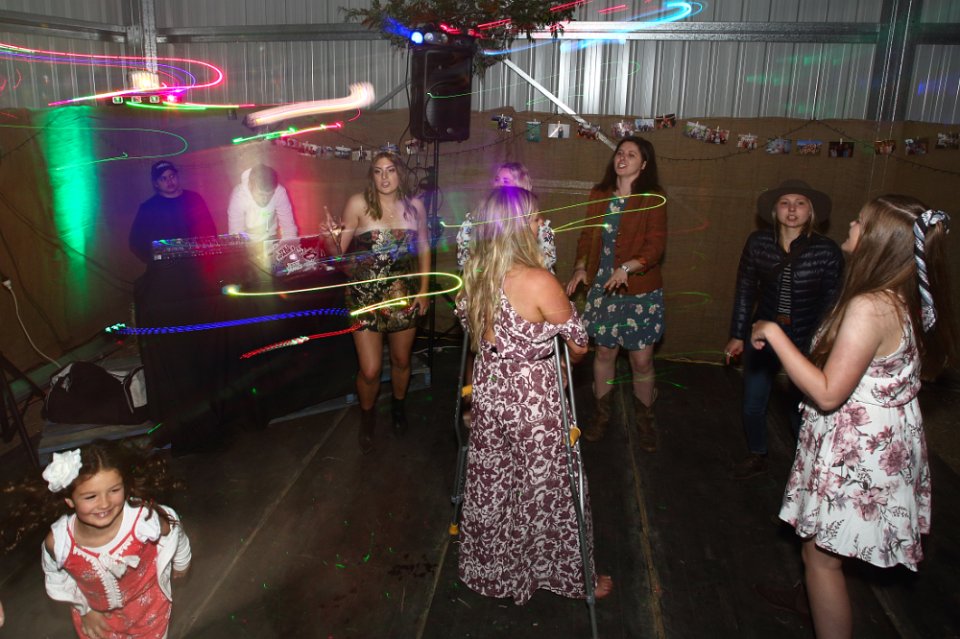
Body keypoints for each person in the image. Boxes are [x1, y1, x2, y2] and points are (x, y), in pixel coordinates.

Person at [751, 196, 957, 639]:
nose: (850, 224)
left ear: (879, 241)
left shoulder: (871, 306)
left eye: (860, 222)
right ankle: (810, 599)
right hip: (879, 440)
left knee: (821, 560)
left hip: (857, 452)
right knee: (821, 554)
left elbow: (828, 393)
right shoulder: (906, 295)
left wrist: (773, 332)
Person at [457, 185, 612, 604]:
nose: (541, 223)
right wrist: (563, 365)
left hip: (490, 389)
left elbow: (471, 330)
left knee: (494, 481)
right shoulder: (540, 280)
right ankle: (569, 578)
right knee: (550, 486)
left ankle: (492, 570)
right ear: (521, 225)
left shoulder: (474, 273)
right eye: (535, 217)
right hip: (532, 397)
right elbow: (578, 342)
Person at [724, 180, 844, 478]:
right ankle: (757, 453)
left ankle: (807, 463)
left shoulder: (827, 251)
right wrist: (737, 334)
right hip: (763, 334)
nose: (792, 209)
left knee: (801, 406)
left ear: (811, 211)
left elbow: (832, 304)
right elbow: (745, 290)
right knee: (753, 401)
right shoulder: (758, 243)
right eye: (785, 203)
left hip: (806, 336)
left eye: (800, 203)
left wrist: (822, 345)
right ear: (774, 210)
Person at [322, 152, 429, 453]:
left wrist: (423, 290)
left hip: (402, 295)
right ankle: (367, 417)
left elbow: (423, 247)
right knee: (369, 370)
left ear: (400, 174)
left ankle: (398, 407)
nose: (384, 177)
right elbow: (337, 254)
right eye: (378, 171)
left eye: (390, 170)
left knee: (402, 361)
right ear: (371, 176)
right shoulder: (359, 204)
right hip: (364, 297)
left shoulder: (416, 206)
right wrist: (328, 237)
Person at [565, 136, 667, 451]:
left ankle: (645, 420)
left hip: (640, 292)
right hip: (603, 290)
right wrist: (580, 268)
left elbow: (655, 246)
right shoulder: (599, 194)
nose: (622, 158)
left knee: (641, 360)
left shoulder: (653, 198)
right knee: (604, 353)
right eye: (620, 153)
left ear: (644, 164)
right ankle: (602, 415)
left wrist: (627, 267)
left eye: (631, 155)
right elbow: (587, 237)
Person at [40, 442, 192, 639]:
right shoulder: (59, 542)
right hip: (99, 621)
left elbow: (171, 526)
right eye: (91, 496)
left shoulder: (143, 520)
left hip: (148, 611)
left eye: (114, 490)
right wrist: (84, 609)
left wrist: (181, 559)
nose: (104, 503)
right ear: (69, 500)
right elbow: (56, 576)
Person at [128, 161, 216, 264]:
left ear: (177, 177)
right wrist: (155, 261)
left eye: (171, 176)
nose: (169, 181)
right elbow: (136, 242)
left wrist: (206, 259)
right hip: (165, 270)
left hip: (197, 266)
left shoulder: (194, 199)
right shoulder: (148, 208)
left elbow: (210, 230)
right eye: (163, 178)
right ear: (156, 183)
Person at [226, 164, 299, 243]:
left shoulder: (279, 192)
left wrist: (290, 247)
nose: (265, 200)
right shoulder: (239, 196)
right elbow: (236, 235)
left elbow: (289, 228)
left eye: (270, 195)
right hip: (246, 240)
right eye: (261, 194)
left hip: (270, 236)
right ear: (250, 186)